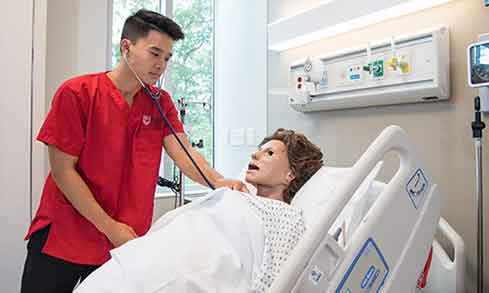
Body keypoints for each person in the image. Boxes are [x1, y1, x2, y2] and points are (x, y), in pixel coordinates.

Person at [21, 9, 247, 293]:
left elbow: (184, 153)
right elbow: (63, 171)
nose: (161, 65)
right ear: (125, 47)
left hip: (122, 243)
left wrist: (219, 182)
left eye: (167, 58)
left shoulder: (160, 103)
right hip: (65, 235)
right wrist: (108, 225)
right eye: (155, 53)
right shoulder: (78, 93)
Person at [74, 128, 324, 293]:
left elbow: (278, 276)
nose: (256, 155)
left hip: (199, 270)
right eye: (259, 150)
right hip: (159, 256)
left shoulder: (287, 217)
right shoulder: (235, 196)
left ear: (290, 174)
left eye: (269, 153)